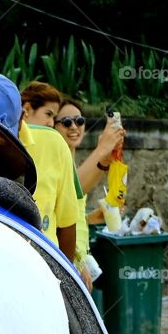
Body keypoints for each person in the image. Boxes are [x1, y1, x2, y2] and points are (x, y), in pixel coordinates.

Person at [0, 75, 78, 264]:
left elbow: (67, 224)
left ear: (23, 117)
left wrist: (62, 282)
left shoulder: (54, 144)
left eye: (1, 132)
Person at [54, 98, 125, 276]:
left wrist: (94, 217)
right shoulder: (55, 164)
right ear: (53, 126)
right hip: (68, 261)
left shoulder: (73, 164)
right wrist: (102, 149)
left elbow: (73, 210)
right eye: (66, 122)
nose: (74, 127)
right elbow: (72, 193)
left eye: (79, 121)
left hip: (80, 258)